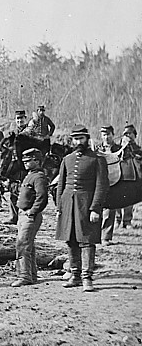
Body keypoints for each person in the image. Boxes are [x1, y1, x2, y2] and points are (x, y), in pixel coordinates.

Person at [56, 125, 109, 292]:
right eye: (75, 139)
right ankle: (75, 275)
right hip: (68, 205)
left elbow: (102, 186)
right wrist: (59, 207)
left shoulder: (97, 159)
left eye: (81, 138)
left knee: (87, 241)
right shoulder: (67, 159)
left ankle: (87, 277)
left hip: (86, 206)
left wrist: (95, 208)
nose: (78, 142)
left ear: (87, 139)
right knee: (70, 240)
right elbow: (60, 185)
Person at [11, 148, 48, 287]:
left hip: (29, 215)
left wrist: (32, 211)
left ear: (37, 161)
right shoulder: (30, 175)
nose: (25, 163)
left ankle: (24, 276)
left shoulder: (38, 177)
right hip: (24, 214)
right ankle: (31, 275)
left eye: (28, 161)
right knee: (29, 246)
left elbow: (42, 197)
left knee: (22, 245)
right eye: (24, 161)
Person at [96, 125, 121, 245]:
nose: (106, 137)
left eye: (108, 134)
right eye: (104, 135)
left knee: (110, 210)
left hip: (114, 181)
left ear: (113, 135)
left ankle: (106, 237)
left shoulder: (119, 148)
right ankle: (95, 236)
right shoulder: (96, 148)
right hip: (98, 182)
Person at [115, 124, 142, 229]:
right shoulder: (119, 147)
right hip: (119, 175)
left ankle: (127, 221)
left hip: (132, 177)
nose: (128, 136)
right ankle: (117, 220)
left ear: (135, 135)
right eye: (126, 134)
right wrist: (123, 147)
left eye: (130, 134)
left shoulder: (138, 149)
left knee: (129, 200)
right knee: (116, 198)